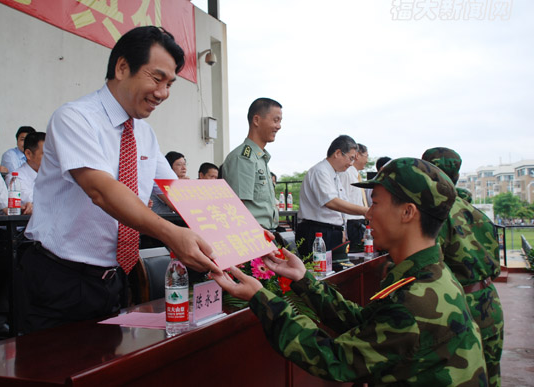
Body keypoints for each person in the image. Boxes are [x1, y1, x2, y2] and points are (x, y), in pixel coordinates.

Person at [214, 158, 487, 385]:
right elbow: (363, 323)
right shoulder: (429, 274)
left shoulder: (416, 298)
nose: (368, 214)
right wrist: (303, 279)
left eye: (375, 203)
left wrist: (261, 298)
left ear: (407, 212)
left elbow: (336, 360)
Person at [21, 26, 220, 333]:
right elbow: (101, 190)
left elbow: (180, 193)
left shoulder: (144, 133)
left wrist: (239, 231)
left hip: (112, 279)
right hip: (59, 278)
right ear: (122, 67)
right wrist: (171, 234)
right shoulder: (75, 118)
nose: (163, 93)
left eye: (170, 84)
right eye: (157, 78)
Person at [422, 147, 504, 386]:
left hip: (458, 309)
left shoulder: (436, 215)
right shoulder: (476, 213)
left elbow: (429, 269)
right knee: (490, 376)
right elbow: (495, 265)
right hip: (489, 302)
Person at [296, 135, 368, 256]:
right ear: (338, 153)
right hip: (317, 231)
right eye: (350, 158)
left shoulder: (335, 174)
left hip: (331, 231)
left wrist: (342, 229)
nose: (351, 164)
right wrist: (365, 211)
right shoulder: (320, 171)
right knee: (320, 267)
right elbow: (331, 202)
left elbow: (341, 206)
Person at [221, 98, 282, 231]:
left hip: (266, 233)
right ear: (256, 120)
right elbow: (237, 208)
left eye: (280, 121)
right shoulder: (243, 158)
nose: (279, 126)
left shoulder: (260, 158)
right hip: (251, 235)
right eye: (275, 120)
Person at [6, 132, 45, 215]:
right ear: (28, 154)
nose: (51, 159)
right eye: (45, 154)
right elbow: (39, 201)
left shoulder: (54, 176)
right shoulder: (15, 179)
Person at [339, 143, 369, 250]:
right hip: (351, 223)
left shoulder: (356, 175)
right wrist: (343, 228)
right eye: (366, 156)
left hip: (359, 223)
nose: (367, 160)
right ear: (357, 155)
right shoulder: (346, 174)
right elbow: (341, 201)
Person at [150, 150, 187, 215]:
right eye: (179, 165)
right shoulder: (162, 182)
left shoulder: (182, 182)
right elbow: (179, 206)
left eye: (184, 164)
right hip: (159, 218)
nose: (184, 168)